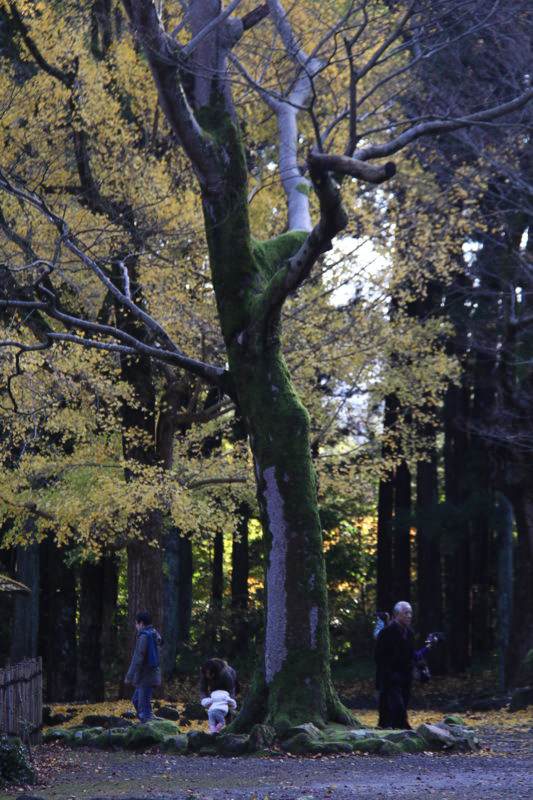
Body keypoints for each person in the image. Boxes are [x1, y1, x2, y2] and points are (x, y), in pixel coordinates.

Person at [374, 601, 428, 729]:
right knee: (396, 705)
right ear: (397, 614)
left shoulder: (409, 633)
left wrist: (422, 665)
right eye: (406, 613)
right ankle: (399, 728)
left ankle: (393, 727)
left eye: (410, 613)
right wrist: (387, 674)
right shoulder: (387, 632)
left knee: (403, 702)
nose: (409, 616)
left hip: (405, 675)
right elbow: (379, 656)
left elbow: (412, 654)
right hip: (390, 676)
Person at [125, 611, 162, 723]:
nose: (136, 626)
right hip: (151, 674)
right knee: (136, 700)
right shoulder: (154, 633)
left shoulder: (144, 637)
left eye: (136, 623)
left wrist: (129, 676)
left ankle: (149, 729)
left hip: (146, 676)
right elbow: (161, 643)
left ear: (141, 623)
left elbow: (137, 658)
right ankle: (150, 719)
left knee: (143, 707)